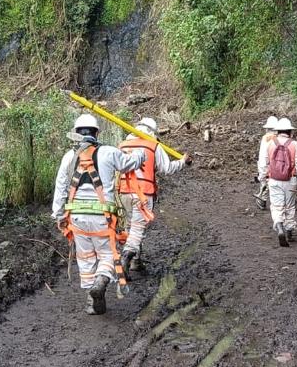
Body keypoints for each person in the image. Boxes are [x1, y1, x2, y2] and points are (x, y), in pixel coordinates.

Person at [51, 113, 146, 315]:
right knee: (107, 255)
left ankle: (91, 302)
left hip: (76, 216)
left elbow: (60, 187)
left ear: (77, 133)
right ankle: (102, 279)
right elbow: (130, 163)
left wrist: (58, 215)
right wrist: (141, 153)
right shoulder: (109, 152)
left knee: (85, 258)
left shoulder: (69, 157)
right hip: (103, 216)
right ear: (97, 133)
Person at [116, 117, 192, 273]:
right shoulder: (153, 145)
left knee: (130, 226)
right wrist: (182, 161)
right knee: (138, 229)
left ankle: (136, 261)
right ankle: (126, 258)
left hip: (124, 192)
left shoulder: (122, 145)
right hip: (143, 193)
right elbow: (167, 168)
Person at [257, 117, 297, 247]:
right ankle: (289, 231)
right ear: (290, 131)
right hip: (291, 180)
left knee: (276, 205)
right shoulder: (295, 145)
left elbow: (264, 163)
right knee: (289, 206)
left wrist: (262, 178)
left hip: (274, 180)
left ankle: (279, 227)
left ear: (278, 131)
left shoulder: (270, 143)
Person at [254, 116, 279, 209]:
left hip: (268, 166)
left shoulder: (266, 138)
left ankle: (262, 199)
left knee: (265, 183)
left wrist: (262, 173)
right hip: (279, 167)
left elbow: (263, 157)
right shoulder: (281, 138)